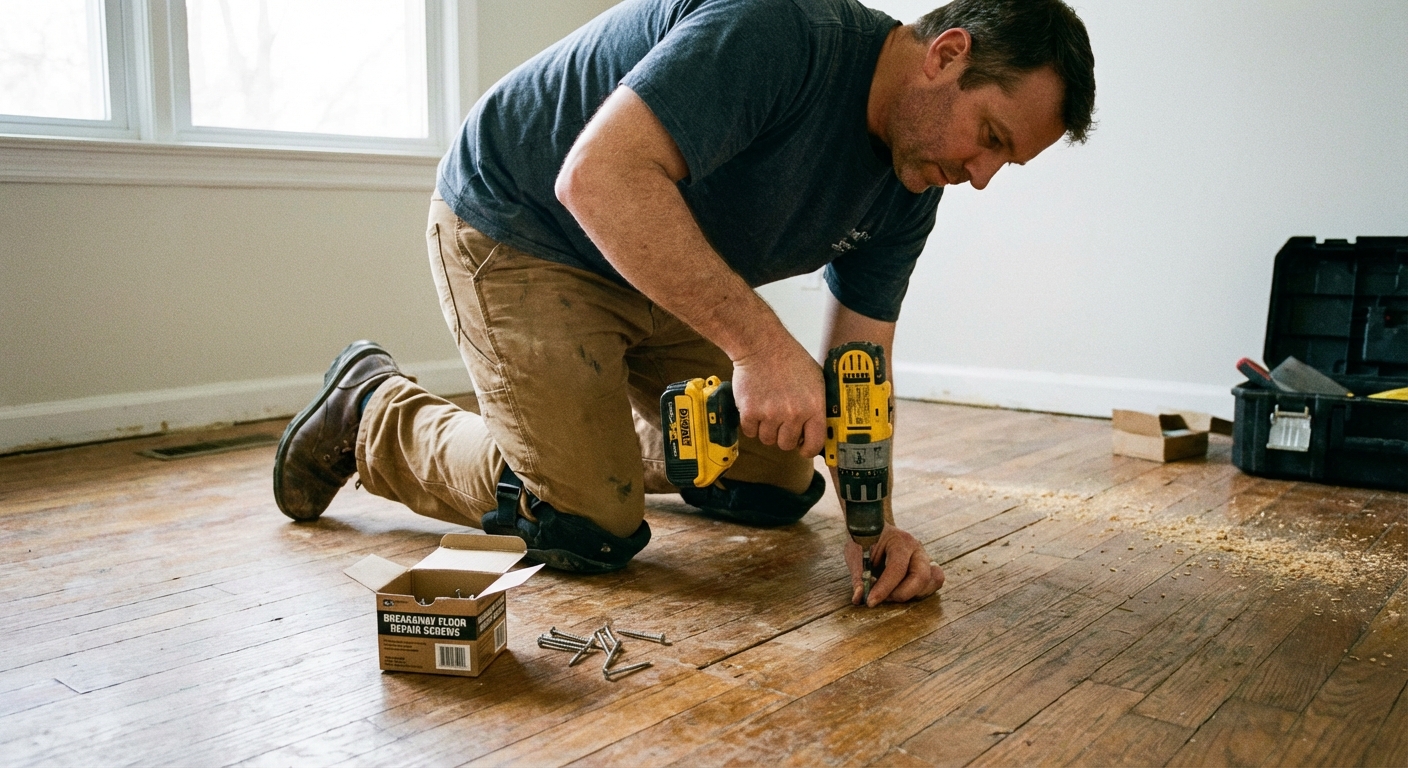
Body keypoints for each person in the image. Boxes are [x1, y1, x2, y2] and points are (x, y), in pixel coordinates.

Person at [272, 0, 1095, 606]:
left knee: (777, 475)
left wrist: (872, 530)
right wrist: (761, 351)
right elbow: (596, 176)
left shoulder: (912, 181)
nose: (981, 176)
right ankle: (373, 413)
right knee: (588, 524)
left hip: (657, 257)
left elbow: (858, 368)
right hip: (527, 226)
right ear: (946, 54)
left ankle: (585, 437)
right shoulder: (775, 32)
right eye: (989, 136)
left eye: (1005, 163)